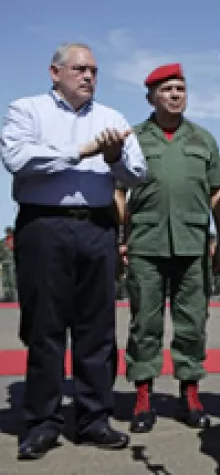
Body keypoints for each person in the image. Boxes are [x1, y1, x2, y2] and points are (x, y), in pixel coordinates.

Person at [0, 42, 147, 460]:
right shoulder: (26, 111)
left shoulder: (111, 119)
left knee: (96, 329)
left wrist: (115, 158)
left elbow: (138, 173)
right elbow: (19, 159)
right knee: (45, 328)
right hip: (45, 224)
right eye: (80, 69)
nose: (89, 77)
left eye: (94, 71)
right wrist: (81, 151)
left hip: (98, 226)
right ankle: (42, 422)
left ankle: (93, 418)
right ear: (55, 73)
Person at [120, 63, 220, 434]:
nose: (175, 95)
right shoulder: (133, 138)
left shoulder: (203, 140)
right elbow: (118, 191)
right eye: (167, 89)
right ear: (151, 96)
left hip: (193, 242)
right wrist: (122, 237)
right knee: (144, 323)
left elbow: (218, 192)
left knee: (193, 323)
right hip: (146, 244)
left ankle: (190, 393)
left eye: (180, 88)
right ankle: (143, 396)